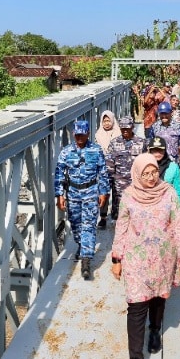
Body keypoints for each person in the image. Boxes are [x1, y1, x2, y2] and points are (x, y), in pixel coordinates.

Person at [111, 153, 180, 359]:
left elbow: (179, 226)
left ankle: (155, 329)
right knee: (136, 308)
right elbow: (121, 228)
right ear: (137, 174)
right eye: (145, 173)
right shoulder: (128, 195)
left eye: (154, 172)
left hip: (163, 259)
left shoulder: (168, 193)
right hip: (136, 261)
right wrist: (117, 258)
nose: (150, 177)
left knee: (157, 299)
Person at [54, 120, 111, 280]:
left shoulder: (96, 150)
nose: (80, 138)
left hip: (90, 192)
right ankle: (81, 244)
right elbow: (59, 173)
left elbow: (103, 172)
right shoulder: (66, 152)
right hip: (73, 193)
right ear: (74, 134)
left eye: (82, 135)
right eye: (77, 135)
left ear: (88, 134)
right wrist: (59, 195)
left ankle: (86, 261)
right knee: (76, 225)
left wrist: (104, 192)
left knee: (88, 225)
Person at [105, 116, 147, 224]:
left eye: (127, 128)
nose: (125, 131)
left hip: (136, 184)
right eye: (122, 128)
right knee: (119, 215)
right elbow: (109, 165)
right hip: (119, 185)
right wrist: (107, 185)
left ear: (132, 127)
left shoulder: (141, 142)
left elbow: (145, 163)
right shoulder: (114, 143)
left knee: (136, 213)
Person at [145, 102, 180, 178]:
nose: (164, 116)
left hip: (174, 164)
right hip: (158, 165)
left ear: (171, 113)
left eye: (166, 113)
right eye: (162, 114)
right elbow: (149, 148)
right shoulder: (153, 128)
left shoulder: (179, 127)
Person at [146, 136, 180, 208]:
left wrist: (179, 208)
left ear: (165, 150)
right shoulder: (144, 166)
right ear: (150, 151)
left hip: (167, 206)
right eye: (154, 150)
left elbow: (178, 190)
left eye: (160, 150)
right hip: (148, 205)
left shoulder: (173, 167)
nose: (157, 153)